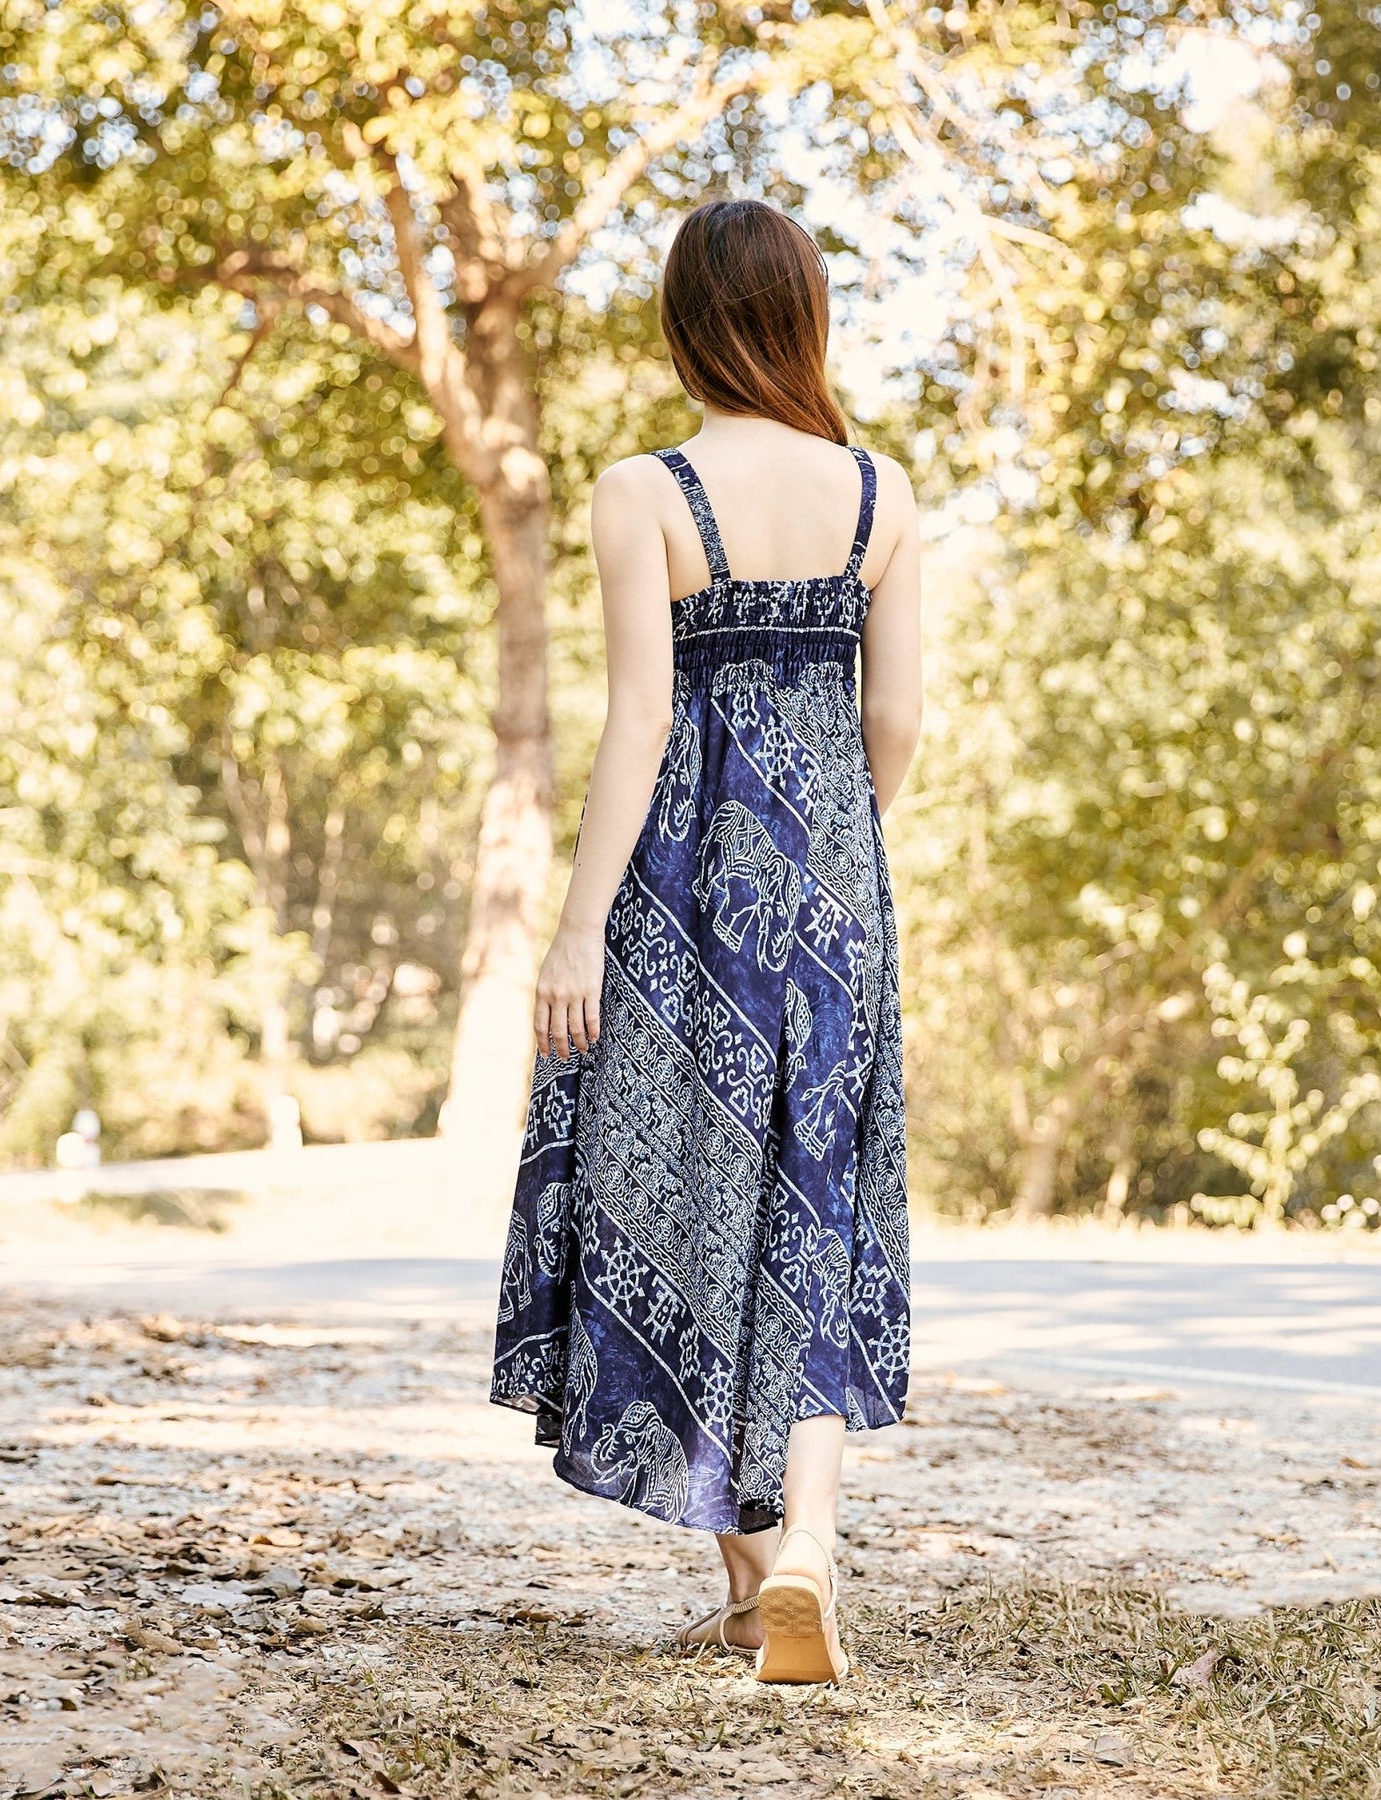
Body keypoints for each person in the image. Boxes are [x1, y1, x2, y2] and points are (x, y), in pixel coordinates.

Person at [490, 196, 922, 1685]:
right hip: (836, 895)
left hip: (681, 892)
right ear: (805, 319)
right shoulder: (880, 493)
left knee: (679, 1205)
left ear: (686, 325)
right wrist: (830, 846)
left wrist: (576, 932)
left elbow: (640, 723)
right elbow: (896, 719)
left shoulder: (645, 492)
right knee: (815, 1205)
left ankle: (755, 1572)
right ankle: (792, 1562)